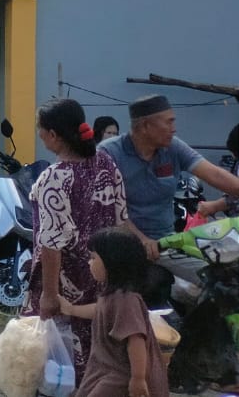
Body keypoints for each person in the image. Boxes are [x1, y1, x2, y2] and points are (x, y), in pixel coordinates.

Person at [25, 98, 130, 374]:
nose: (39, 134)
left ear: (53, 135)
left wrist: (49, 295)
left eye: (40, 129)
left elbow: (50, 244)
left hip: (64, 285)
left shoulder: (53, 179)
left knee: (49, 366)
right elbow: (121, 220)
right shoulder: (106, 163)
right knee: (97, 360)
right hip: (101, 280)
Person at [98, 95, 239, 284]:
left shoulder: (172, 147)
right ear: (146, 126)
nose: (174, 128)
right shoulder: (108, 154)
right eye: (168, 122)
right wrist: (142, 240)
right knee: (209, 280)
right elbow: (107, 210)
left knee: (223, 275)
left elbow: (215, 175)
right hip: (122, 244)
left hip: (167, 241)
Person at [60, 227, 170, 397]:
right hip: (105, 369)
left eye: (94, 258)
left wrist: (138, 378)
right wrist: (71, 309)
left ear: (112, 263)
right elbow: (100, 311)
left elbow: (136, 339)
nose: (90, 263)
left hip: (121, 375)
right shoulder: (113, 296)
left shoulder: (127, 301)